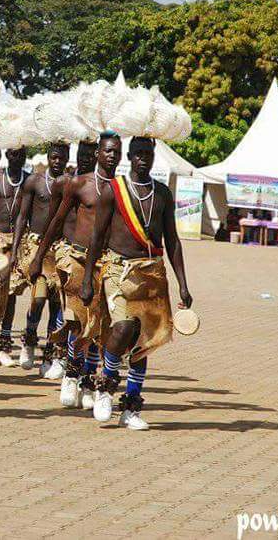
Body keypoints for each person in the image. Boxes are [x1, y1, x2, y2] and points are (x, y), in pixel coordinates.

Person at [80, 137, 192, 430]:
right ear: (129, 156)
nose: (143, 158)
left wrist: (182, 284)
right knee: (123, 328)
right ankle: (104, 385)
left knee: (143, 342)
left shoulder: (163, 194)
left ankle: (131, 407)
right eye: (138, 153)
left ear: (154, 157)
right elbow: (97, 237)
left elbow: (173, 241)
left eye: (148, 154)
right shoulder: (113, 192)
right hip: (118, 270)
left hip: (152, 273)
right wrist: (88, 279)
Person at [28, 135, 114, 411]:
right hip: (75, 257)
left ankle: (88, 381)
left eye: (93, 152)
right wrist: (39, 257)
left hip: (106, 262)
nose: (89, 157)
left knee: (98, 326)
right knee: (76, 320)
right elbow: (55, 220)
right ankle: (71, 373)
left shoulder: (119, 189)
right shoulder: (76, 184)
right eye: (85, 153)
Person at [9, 141, 69, 375]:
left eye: (61, 157)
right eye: (54, 157)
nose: (57, 161)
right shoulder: (34, 181)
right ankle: (30, 338)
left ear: (67, 158)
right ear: (49, 157)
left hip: (61, 250)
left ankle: (51, 354)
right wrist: (15, 250)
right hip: (36, 248)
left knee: (58, 305)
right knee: (38, 299)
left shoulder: (70, 184)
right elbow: (22, 217)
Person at [0, 146, 30, 365]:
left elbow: (22, 217)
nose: (16, 158)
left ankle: (4, 345)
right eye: (13, 154)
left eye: (20, 155)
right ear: (7, 155)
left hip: (17, 241)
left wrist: (16, 248)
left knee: (10, 296)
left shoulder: (29, 181)